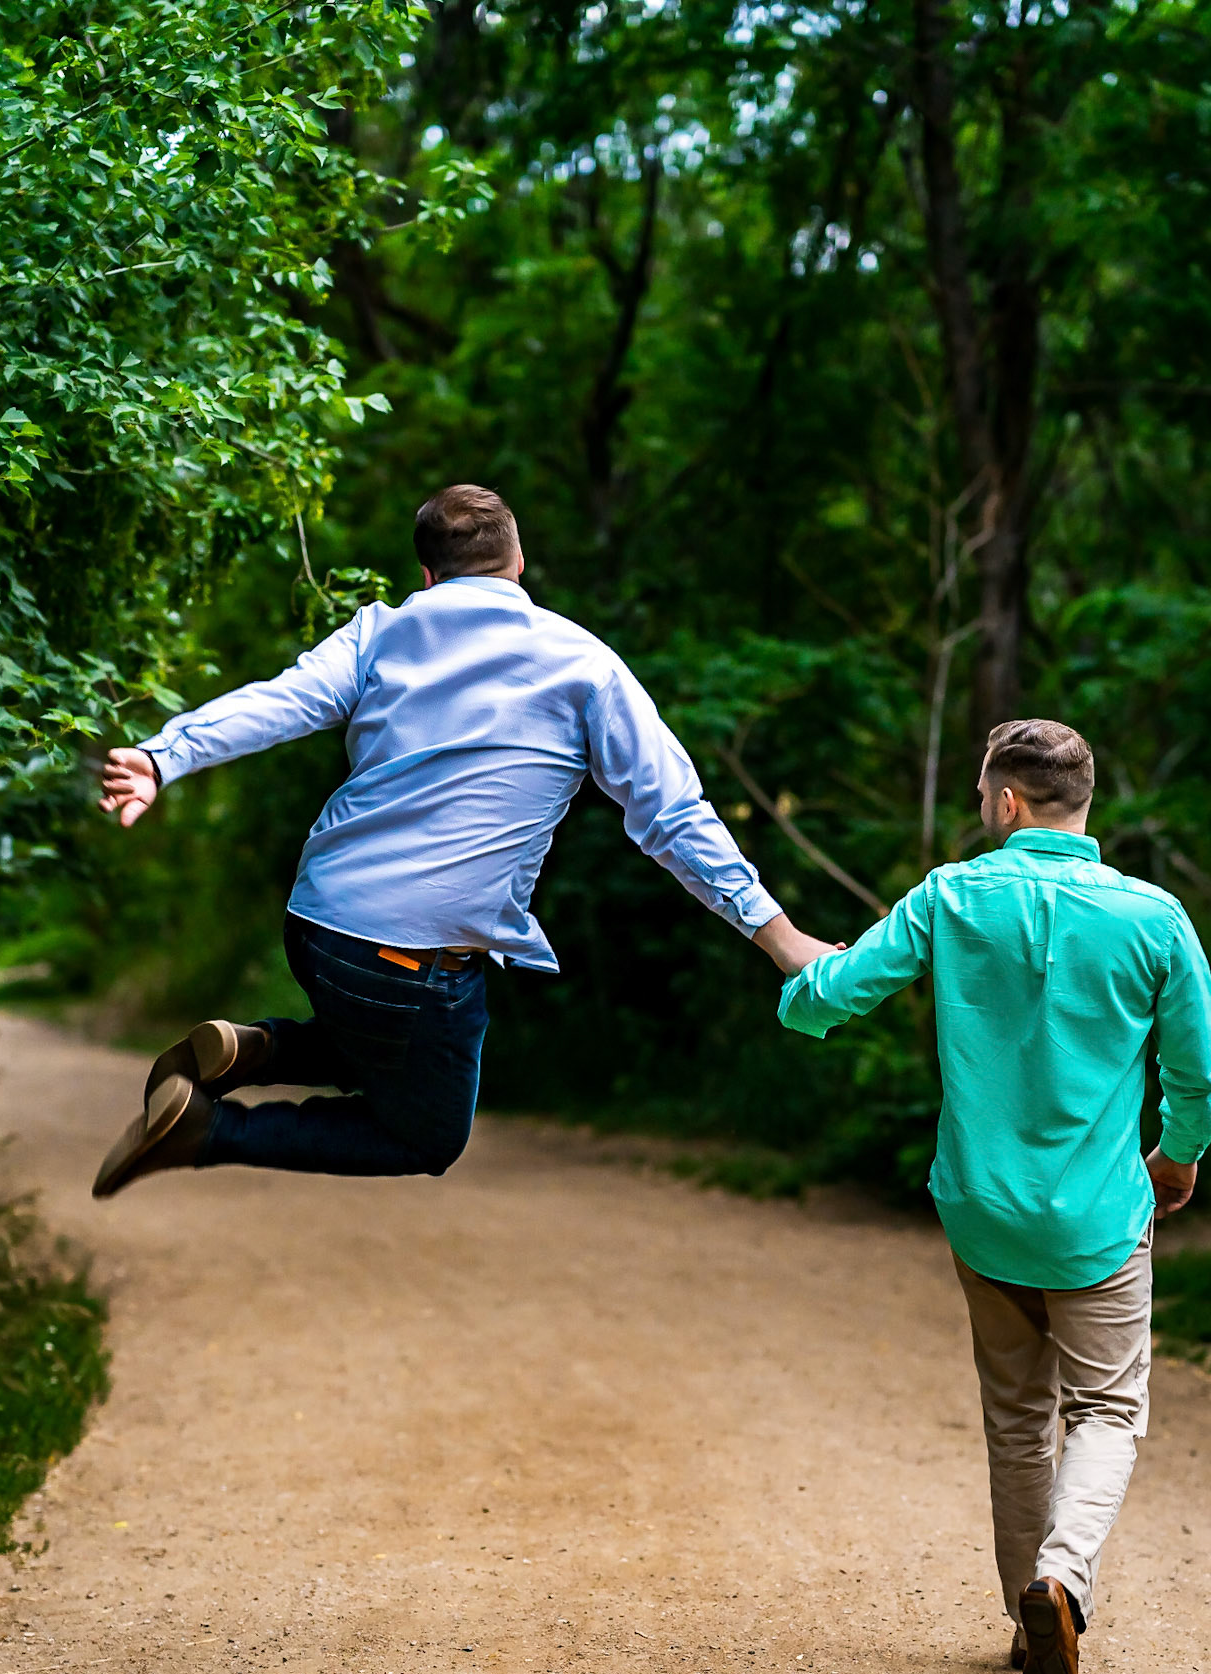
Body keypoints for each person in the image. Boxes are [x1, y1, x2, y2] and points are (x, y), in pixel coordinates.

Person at [94, 484, 833, 1199]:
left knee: (386, 1032)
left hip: (316, 925)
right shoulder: (585, 664)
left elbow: (280, 701)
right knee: (425, 1135)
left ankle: (261, 1048)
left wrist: (164, 755)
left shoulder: (378, 631)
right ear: (518, 564)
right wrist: (780, 938)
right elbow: (672, 815)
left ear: (427, 575)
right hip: (413, 957)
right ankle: (208, 1129)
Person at [777, 719, 1211, 1674]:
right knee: (1106, 1410)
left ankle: (1032, 1619)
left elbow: (830, 997)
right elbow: (1195, 1073)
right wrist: (1178, 1155)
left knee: (1017, 1420)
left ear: (1009, 803)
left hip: (983, 1213)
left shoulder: (951, 895)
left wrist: (791, 983)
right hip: (1101, 1219)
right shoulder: (1154, 917)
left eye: (986, 795)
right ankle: (1062, 1580)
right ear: (1082, 800)